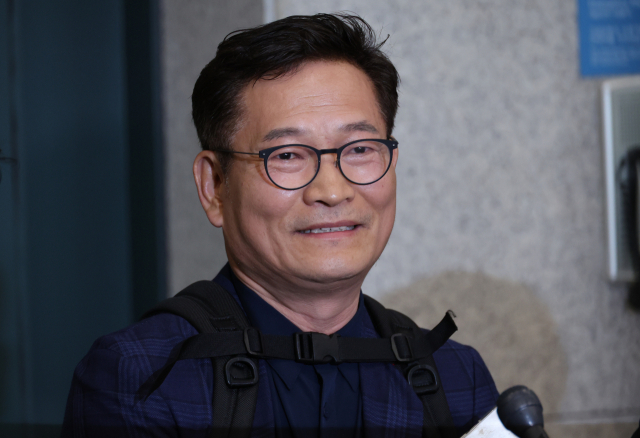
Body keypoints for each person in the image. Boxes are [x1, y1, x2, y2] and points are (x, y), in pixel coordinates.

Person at [61, 13, 499, 437]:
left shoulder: (454, 376)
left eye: (360, 149)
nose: (332, 191)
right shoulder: (141, 376)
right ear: (214, 186)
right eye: (287, 155)